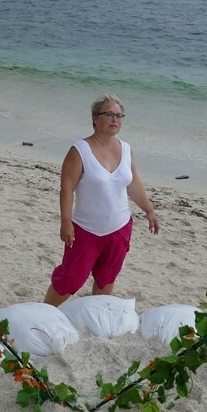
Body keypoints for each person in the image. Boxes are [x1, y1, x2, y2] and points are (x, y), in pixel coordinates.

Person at [43, 94, 159, 307]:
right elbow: (67, 189)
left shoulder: (125, 149)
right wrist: (66, 222)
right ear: (95, 118)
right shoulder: (79, 151)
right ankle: (44, 311)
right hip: (86, 230)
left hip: (119, 228)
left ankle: (97, 315)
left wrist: (149, 210)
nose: (115, 119)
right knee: (70, 280)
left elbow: (133, 184)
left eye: (119, 115)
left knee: (106, 279)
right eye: (109, 114)